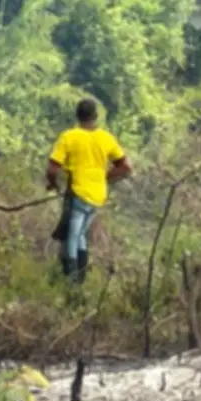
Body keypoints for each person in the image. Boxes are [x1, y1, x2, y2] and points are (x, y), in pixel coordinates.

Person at [46, 98, 132, 284]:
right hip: (97, 196)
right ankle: (81, 276)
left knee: (72, 234)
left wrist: (53, 184)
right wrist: (104, 177)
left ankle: (72, 278)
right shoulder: (106, 138)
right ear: (95, 116)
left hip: (77, 192)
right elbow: (125, 167)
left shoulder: (69, 137)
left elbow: (52, 169)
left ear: (78, 116)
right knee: (80, 235)